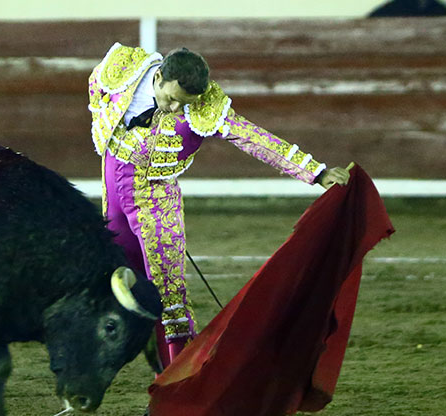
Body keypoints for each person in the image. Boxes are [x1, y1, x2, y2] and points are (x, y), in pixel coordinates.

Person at [88, 43, 352, 385]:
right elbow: (96, 86)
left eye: (184, 104)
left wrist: (316, 172)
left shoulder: (206, 107)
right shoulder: (125, 68)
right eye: (172, 99)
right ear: (159, 77)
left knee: (169, 299)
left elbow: (254, 138)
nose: (175, 108)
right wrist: (104, 122)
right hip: (113, 193)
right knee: (120, 283)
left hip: (155, 202)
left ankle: (178, 390)